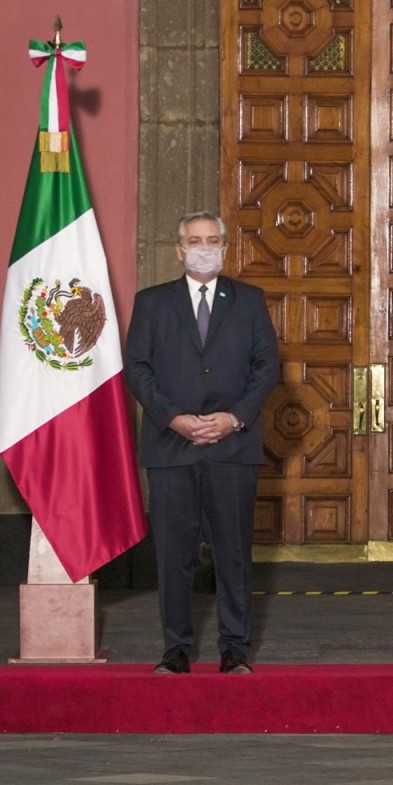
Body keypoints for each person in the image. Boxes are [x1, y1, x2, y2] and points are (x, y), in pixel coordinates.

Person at [125, 211, 279, 674]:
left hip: (232, 448)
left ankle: (235, 648)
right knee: (174, 556)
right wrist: (174, 419)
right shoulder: (152, 303)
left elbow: (266, 367)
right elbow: (138, 368)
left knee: (232, 552)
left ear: (226, 248)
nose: (204, 247)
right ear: (179, 249)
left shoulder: (250, 301)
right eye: (195, 240)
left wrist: (234, 418)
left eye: (213, 240)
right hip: (172, 448)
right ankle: (176, 648)